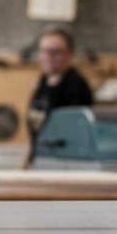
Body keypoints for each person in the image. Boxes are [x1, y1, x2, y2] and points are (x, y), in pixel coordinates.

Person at [21, 28, 93, 170]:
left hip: (65, 163)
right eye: (44, 51)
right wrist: (24, 165)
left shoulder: (76, 86)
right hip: (41, 160)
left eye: (56, 52)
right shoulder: (43, 81)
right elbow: (35, 129)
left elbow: (76, 134)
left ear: (70, 53)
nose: (49, 56)